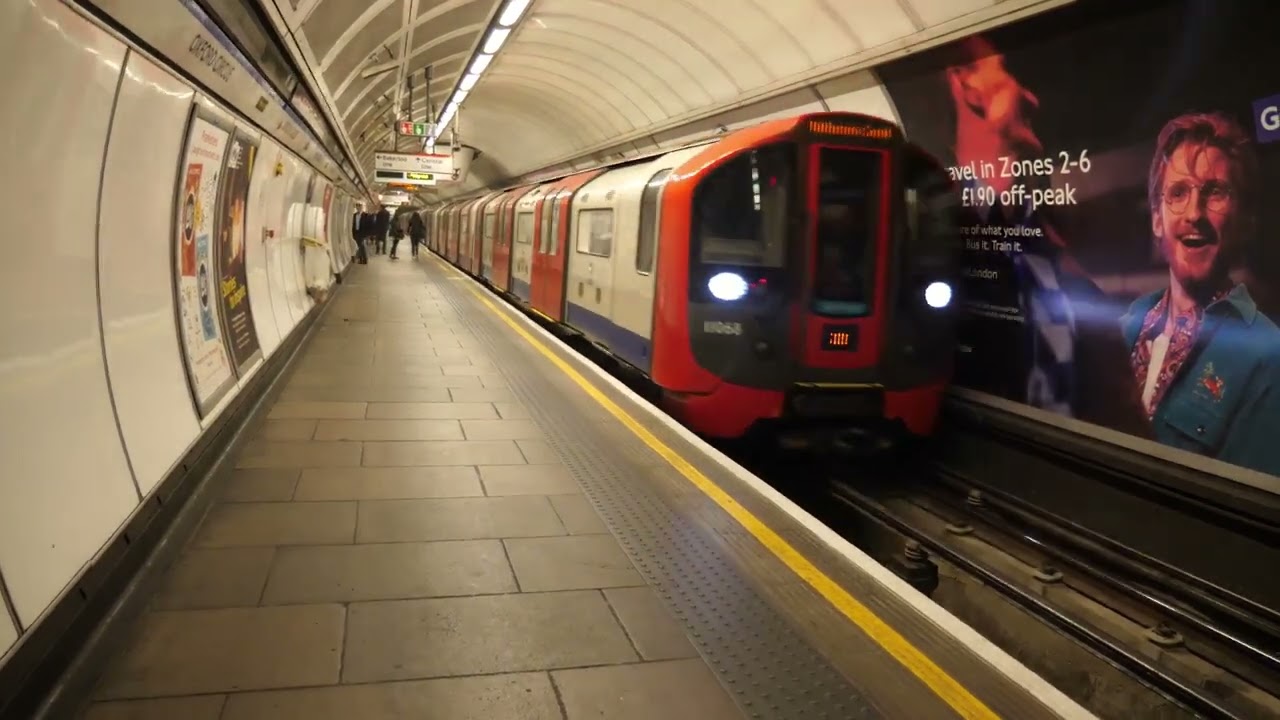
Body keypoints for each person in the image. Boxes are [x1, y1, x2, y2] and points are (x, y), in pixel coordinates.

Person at [1120, 111, 1280, 475]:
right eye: (1178, 193)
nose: (1194, 213)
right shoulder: (1128, 322)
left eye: (1215, 193)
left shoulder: (1270, 356)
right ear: (1157, 218)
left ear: (1244, 221)